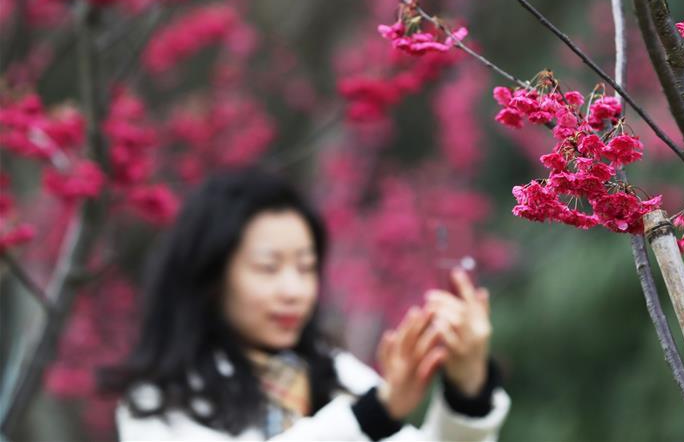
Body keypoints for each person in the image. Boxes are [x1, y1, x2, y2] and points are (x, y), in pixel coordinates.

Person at [99, 167, 509, 441]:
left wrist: (467, 389)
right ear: (210, 276)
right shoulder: (159, 401)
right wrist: (372, 415)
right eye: (268, 267)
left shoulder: (336, 376)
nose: (294, 289)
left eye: (306, 267)